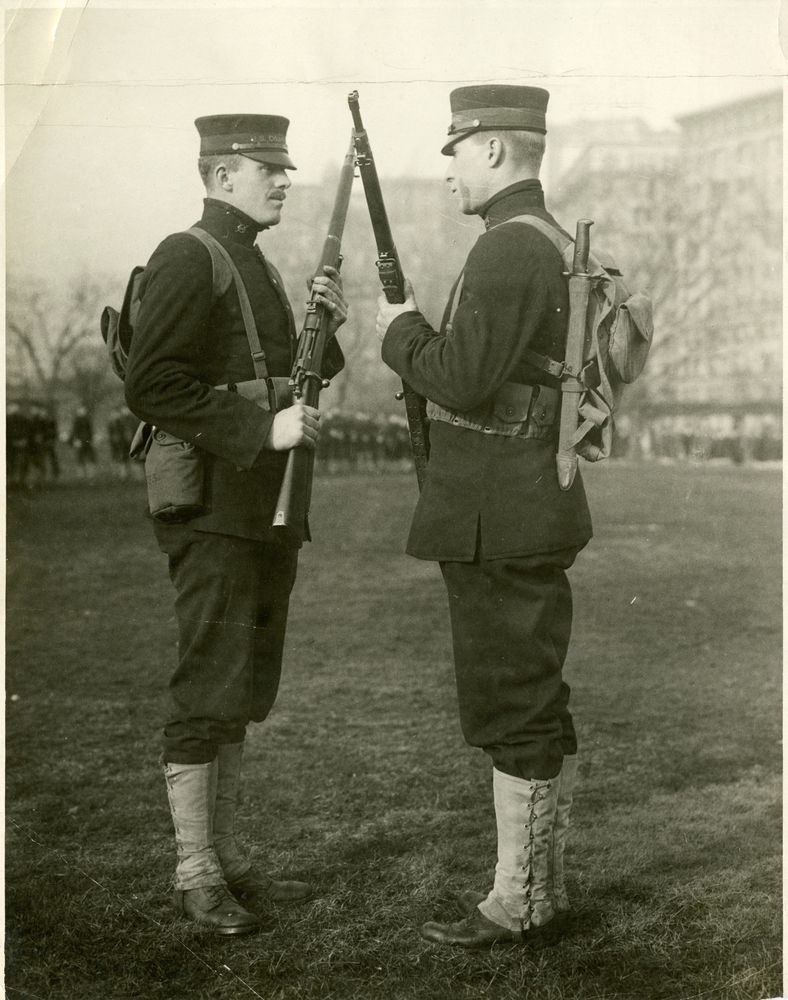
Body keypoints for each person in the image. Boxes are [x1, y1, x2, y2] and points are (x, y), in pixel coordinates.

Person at [375, 85, 593, 948]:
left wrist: (400, 330)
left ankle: (524, 901)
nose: (449, 172)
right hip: (516, 508)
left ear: (495, 151)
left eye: (457, 153)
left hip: (500, 515)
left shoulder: (509, 248)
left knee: (515, 704)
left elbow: (459, 378)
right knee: (526, 697)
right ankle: (535, 891)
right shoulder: (536, 238)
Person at [124, 114, 347, 936]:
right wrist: (262, 431)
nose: (284, 180)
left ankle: (223, 863)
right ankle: (194, 872)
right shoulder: (192, 254)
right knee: (208, 688)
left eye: (285, 170)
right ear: (219, 177)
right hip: (216, 507)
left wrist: (333, 327)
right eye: (266, 169)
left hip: (266, 510)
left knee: (244, 690)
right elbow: (152, 384)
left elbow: (292, 381)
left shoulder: (258, 264)